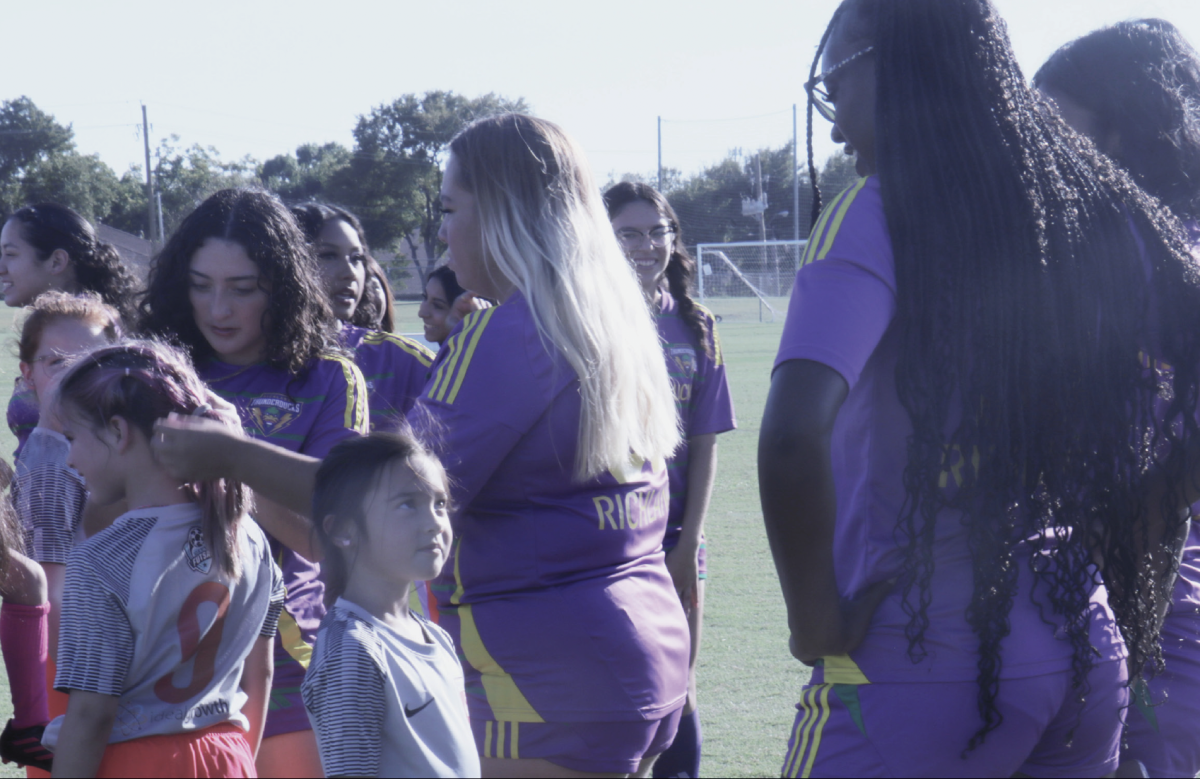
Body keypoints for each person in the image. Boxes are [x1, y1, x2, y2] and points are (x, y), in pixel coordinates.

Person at [759, 0, 1200, 776]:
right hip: (1083, 643)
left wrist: (813, 619)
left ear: (893, 70)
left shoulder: (880, 211)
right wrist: (1137, 539)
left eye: (836, 87)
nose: (832, 125)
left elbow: (794, 435)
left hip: (919, 654)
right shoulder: (1091, 216)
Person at [415, 113, 686, 778]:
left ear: (503, 212)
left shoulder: (507, 334)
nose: (442, 231)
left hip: (547, 676)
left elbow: (382, 500)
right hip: (646, 645)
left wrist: (233, 457)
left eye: (450, 208)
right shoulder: (611, 321)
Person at [138, 188, 367, 778]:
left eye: (243, 289)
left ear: (283, 285)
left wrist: (230, 463)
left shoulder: (329, 377)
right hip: (157, 663)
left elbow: (335, 540)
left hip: (289, 665)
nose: (218, 308)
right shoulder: (153, 372)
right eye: (200, 284)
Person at [1035, 20, 1200, 778]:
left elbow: (1167, 477)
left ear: (1122, 129)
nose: (1029, 144)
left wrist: (1127, 637)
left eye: (1051, 120)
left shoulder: (1149, 259)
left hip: (1153, 614)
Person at [43, 340, 284, 778]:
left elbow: (90, 715)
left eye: (72, 438)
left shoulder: (102, 560)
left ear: (118, 432)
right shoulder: (250, 535)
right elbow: (261, 674)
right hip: (229, 756)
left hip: (136, 763)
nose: (70, 458)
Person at [603, 182, 736, 779]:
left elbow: (705, 443)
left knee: (677, 686)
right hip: (606, 538)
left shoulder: (695, 324)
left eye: (657, 231)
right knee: (620, 688)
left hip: (677, 537)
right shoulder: (587, 321)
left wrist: (688, 546)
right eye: (629, 232)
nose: (645, 245)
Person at [302, 432, 479, 778]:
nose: (434, 523)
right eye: (406, 504)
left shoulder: (435, 637)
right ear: (342, 530)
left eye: (440, 504)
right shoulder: (352, 650)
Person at [9, 292, 122, 756]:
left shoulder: (91, 448)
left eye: (91, 361)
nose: (74, 374)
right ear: (28, 375)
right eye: (55, 362)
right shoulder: (51, 463)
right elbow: (50, 592)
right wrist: (80, 698)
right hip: (78, 678)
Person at [0, 204, 139, 458]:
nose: (1, 267)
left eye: (11, 254)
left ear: (56, 261)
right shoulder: (53, 327)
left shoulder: (92, 332)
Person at [291, 203, 433, 430]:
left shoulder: (401, 359)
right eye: (328, 255)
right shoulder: (248, 355)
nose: (349, 273)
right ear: (289, 262)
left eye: (356, 258)